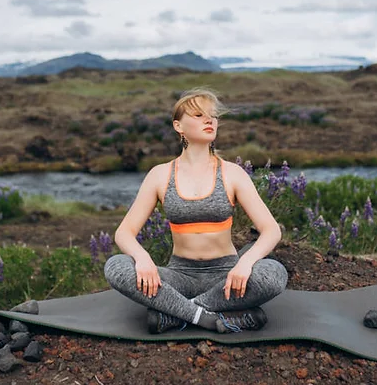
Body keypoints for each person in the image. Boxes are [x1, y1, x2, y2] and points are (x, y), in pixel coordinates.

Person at [104, 88, 288, 334]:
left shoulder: (233, 173)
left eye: (213, 116)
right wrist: (143, 258)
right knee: (116, 266)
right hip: (179, 276)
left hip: (227, 276)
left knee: (273, 273)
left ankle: (178, 314)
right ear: (178, 126)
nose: (209, 120)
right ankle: (210, 317)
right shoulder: (160, 175)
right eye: (199, 115)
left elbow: (271, 230)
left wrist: (245, 263)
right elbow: (124, 233)